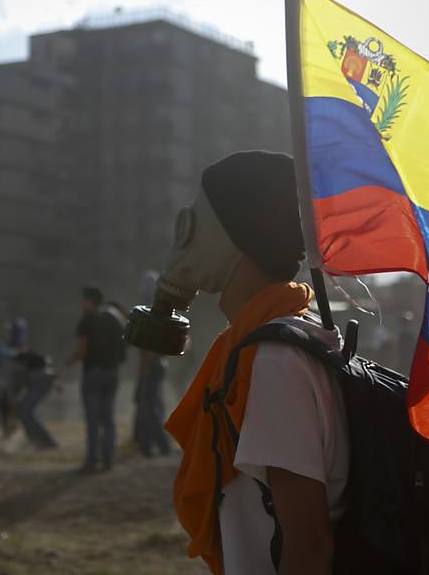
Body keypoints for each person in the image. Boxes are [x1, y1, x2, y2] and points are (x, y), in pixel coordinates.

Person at [163, 151, 349, 575]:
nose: (184, 236)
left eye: (196, 222)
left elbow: (309, 544)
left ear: (236, 236)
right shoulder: (285, 334)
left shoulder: (274, 360)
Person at [66, 285, 124, 473]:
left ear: (90, 301)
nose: (82, 303)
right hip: (112, 373)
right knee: (108, 418)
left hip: (93, 374)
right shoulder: (114, 319)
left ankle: (92, 460)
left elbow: (82, 350)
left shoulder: (88, 320)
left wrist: (69, 361)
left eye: (84, 299)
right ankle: (108, 459)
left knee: (93, 419)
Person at [10, 350, 58, 449]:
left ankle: (44, 440)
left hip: (40, 382)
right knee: (25, 412)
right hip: (42, 381)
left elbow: (20, 383)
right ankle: (37, 439)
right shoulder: (26, 359)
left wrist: (14, 401)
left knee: (25, 412)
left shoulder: (16, 364)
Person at [134, 350, 170, 457]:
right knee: (151, 409)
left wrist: (143, 365)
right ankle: (152, 446)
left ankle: (160, 446)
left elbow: (150, 352)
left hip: (152, 369)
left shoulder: (149, 334)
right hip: (157, 367)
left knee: (150, 411)